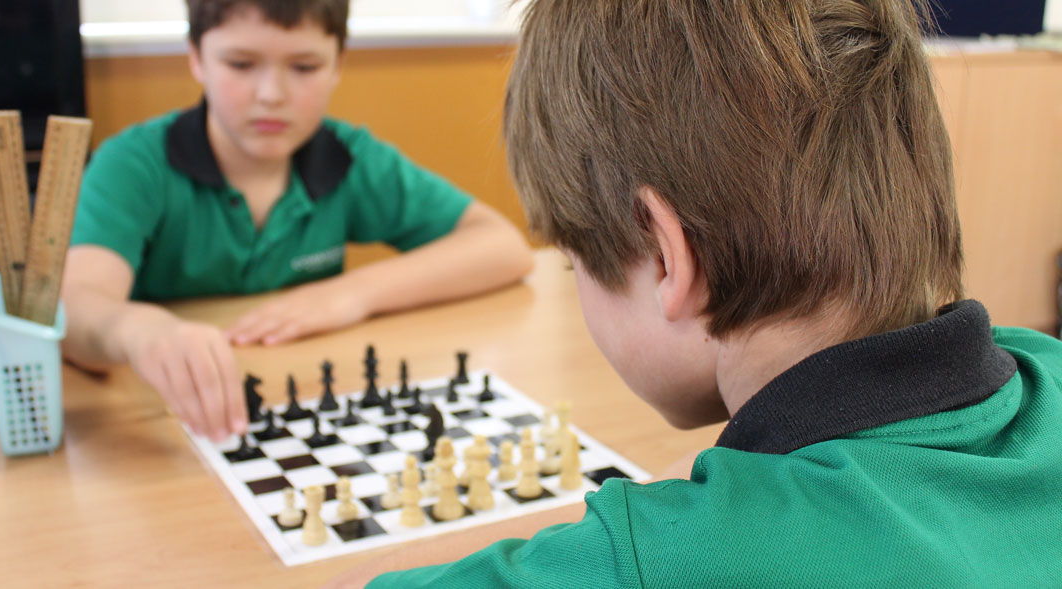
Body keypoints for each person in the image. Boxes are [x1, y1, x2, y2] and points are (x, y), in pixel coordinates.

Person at [339, 0, 1062, 586]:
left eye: (574, 263)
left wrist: (638, 532)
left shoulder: (657, 557)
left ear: (664, 256)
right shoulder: (1045, 368)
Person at [59, 0, 534, 442]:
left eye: (304, 67)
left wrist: (352, 293)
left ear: (338, 65)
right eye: (241, 64)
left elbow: (503, 247)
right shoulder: (133, 164)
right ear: (196, 58)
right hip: (164, 426)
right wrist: (137, 331)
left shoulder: (350, 158)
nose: (271, 95)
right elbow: (76, 308)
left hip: (294, 413)